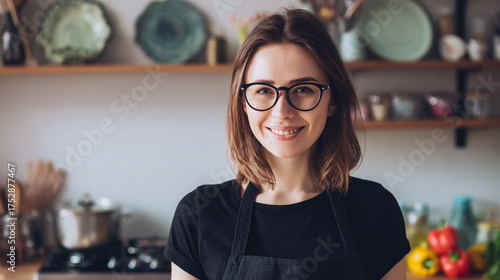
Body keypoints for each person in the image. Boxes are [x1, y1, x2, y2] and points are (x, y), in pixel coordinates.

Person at [164, 8, 410, 280]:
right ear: (243, 103)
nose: (282, 111)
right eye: (264, 90)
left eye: (303, 89)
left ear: (333, 101)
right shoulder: (198, 215)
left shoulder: (375, 209)